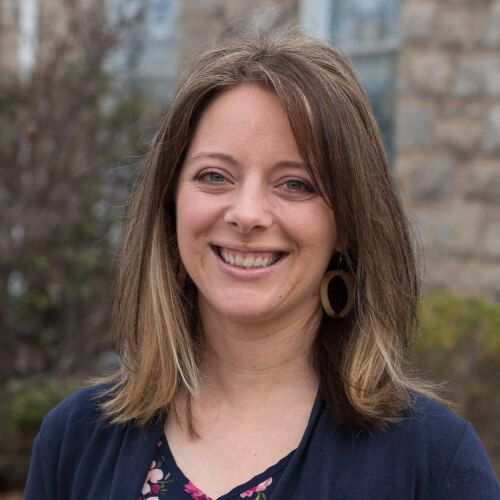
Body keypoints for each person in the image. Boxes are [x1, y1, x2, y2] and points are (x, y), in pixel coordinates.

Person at [25, 31, 499, 499]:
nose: (247, 214)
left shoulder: (435, 464)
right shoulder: (74, 441)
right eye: (214, 176)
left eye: (295, 184)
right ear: (169, 206)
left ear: (349, 221)